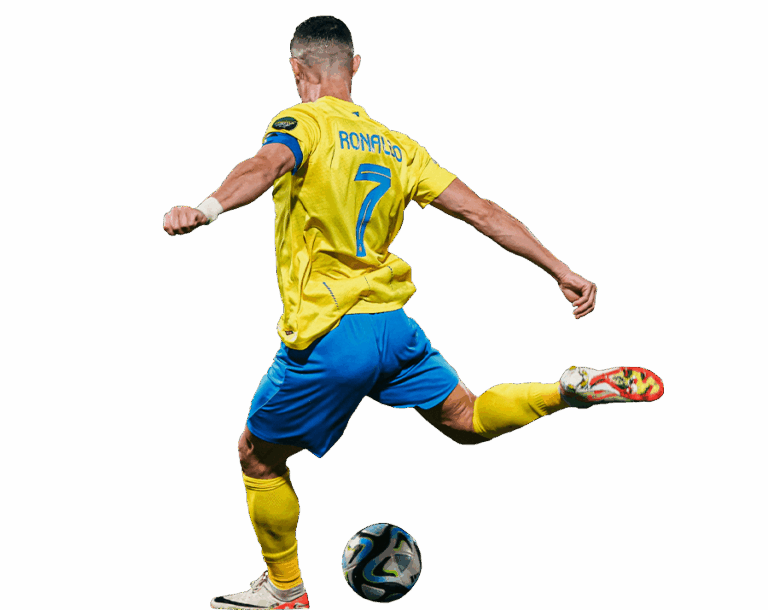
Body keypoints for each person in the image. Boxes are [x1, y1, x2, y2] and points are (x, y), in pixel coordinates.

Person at [162, 16, 664, 610]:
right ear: (355, 66)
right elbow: (482, 211)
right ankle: (568, 388)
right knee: (468, 418)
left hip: (330, 336)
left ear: (298, 71)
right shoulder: (398, 145)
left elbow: (264, 165)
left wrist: (207, 207)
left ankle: (285, 591)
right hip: (392, 329)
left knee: (257, 455)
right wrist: (560, 269)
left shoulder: (302, 122)